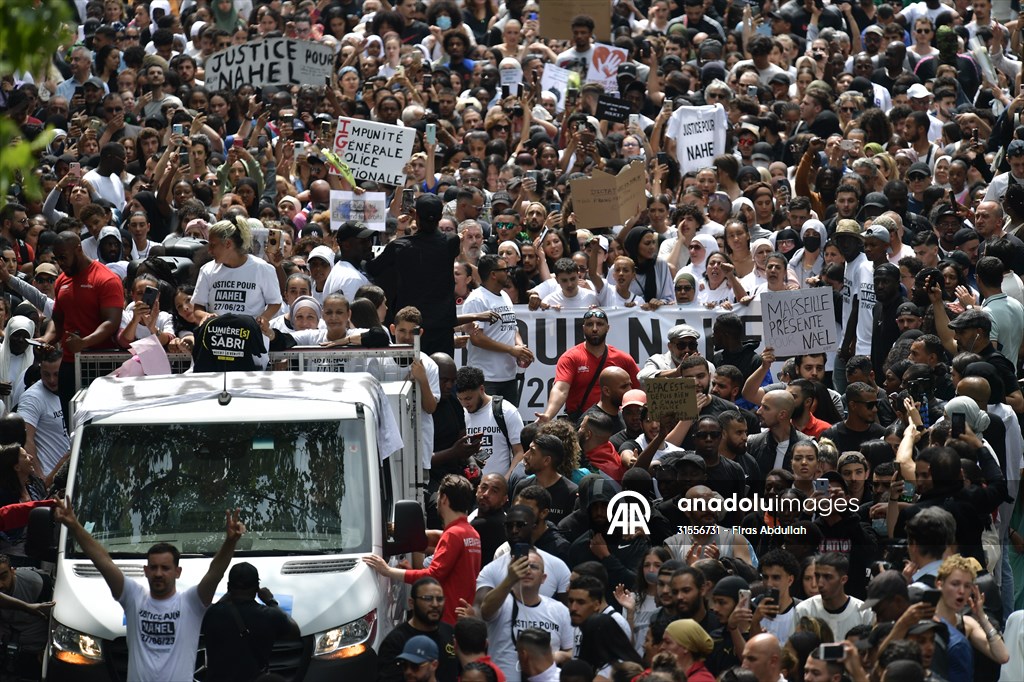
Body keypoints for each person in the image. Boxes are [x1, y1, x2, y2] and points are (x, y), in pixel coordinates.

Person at [53, 499, 245, 681]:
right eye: (153, 568)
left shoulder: (191, 603)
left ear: (177, 572)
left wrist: (230, 542)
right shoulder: (133, 597)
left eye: (165, 568)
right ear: (146, 571)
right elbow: (103, 561)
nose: (158, 573)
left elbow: (215, 572)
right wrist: (75, 526)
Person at [364, 474, 481, 625]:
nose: (437, 502)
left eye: (439, 496)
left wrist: (387, 570)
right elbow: (453, 576)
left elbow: (433, 576)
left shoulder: (453, 534)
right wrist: (411, 570)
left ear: (444, 498)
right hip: (460, 618)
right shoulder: (472, 534)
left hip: (448, 620)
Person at [366, 194, 460, 356]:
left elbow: (373, 268)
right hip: (440, 330)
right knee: (442, 375)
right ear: (440, 217)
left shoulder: (399, 246)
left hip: (410, 330)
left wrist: (400, 230)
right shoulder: (451, 242)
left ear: (415, 215)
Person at [42, 231, 122, 419]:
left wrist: (84, 342)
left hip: (101, 363)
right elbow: (58, 320)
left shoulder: (106, 279)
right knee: (71, 422)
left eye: (63, 257)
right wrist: (47, 341)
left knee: (100, 421)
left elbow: (111, 322)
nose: (60, 263)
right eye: (57, 258)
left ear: (78, 249)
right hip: (70, 363)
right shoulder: (61, 280)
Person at [479, 548, 572, 682]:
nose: (527, 570)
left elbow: (573, 652)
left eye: (534, 567)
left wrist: (559, 656)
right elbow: (485, 611)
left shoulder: (559, 610)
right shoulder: (501, 602)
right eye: (522, 566)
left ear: (543, 578)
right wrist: (509, 580)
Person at [535, 309, 640, 423]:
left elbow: (640, 390)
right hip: (580, 422)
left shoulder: (623, 359)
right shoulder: (571, 357)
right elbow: (560, 390)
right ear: (583, 328)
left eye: (599, 324)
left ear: (607, 328)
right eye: (590, 324)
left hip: (615, 422)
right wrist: (548, 415)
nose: (595, 329)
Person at [201, 562, 300, 682]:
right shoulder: (270, 616)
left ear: (228, 586)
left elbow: (213, 609)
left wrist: (227, 595)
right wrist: (271, 601)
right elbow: (295, 631)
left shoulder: (212, 614)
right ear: (257, 587)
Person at [461, 253, 533, 403]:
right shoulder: (477, 299)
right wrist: (510, 350)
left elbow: (512, 327)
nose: (508, 272)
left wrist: (520, 347)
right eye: (505, 269)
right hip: (486, 378)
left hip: (509, 376)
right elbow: (476, 338)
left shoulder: (505, 296)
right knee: (488, 424)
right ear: (493, 274)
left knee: (508, 423)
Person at [378, 577, 458, 682]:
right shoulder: (395, 642)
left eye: (439, 599)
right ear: (411, 603)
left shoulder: (450, 633)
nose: (435, 604)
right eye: (427, 598)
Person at [455, 366, 525, 478]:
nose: (464, 404)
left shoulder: (506, 410)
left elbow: (520, 452)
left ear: (481, 389)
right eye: (460, 399)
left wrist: (506, 481)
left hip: (500, 488)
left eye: (468, 398)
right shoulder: (458, 415)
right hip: (468, 488)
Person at [16, 350, 69, 481]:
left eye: (57, 374)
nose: (52, 380)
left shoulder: (72, 388)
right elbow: (26, 439)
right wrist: (41, 479)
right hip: (50, 477)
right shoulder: (32, 398)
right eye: (46, 374)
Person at [793, 553, 874, 640]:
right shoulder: (803, 610)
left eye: (827, 577)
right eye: (817, 576)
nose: (819, 583)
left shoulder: (865, 613)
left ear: (843, 579)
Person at [0, 552, 50, 679]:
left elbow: (53, 618)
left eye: (3, 576)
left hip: (34, 648)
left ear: (12, 571)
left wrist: (48, 649)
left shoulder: (36, 583)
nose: (0, 585)